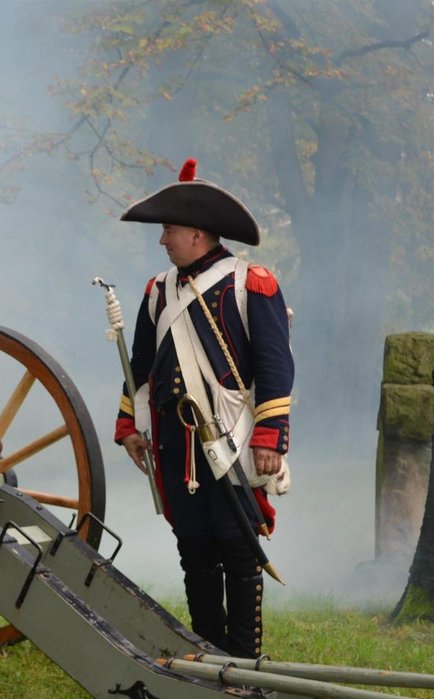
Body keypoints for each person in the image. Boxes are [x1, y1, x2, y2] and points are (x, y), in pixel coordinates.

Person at [114, 158, 294, 659]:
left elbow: (276, 368)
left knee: (238, 551)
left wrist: (268, 438)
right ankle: (206, 653)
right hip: (177, 444)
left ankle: (243, 659)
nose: (162, 240)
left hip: (232, 438)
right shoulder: (158, 291)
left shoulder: (250, 283)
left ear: (197, 233)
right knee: (194, 550)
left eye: (169, 229)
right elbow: (141, 366)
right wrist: (129, 423)